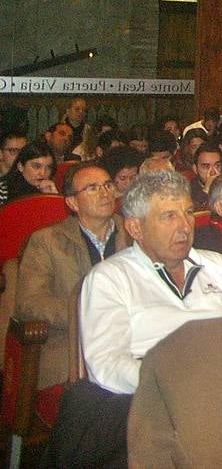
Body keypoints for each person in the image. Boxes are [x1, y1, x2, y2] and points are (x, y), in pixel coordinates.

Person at [60, 171, 222, 468]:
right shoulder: (111, 277)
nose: (185, 226)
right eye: (168, 216)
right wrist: (173, 386)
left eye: (187, 213)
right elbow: (107, 366)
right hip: (150, 398)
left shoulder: (216, 266)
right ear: (136, 227)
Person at [15, 162, 128, 390]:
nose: (105, 193)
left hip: (129, 345)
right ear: (73, 202)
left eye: (107, 185)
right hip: (72, 350)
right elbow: (29, 304)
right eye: (93, 188)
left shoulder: (134, 232)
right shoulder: (47, 241)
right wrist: (84, 312)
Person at [188, 142, 222, 210]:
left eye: (217, 166)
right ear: (195, 169)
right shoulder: (188, 191)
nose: (213, 172)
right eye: (206, 167)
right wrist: (206, 190)